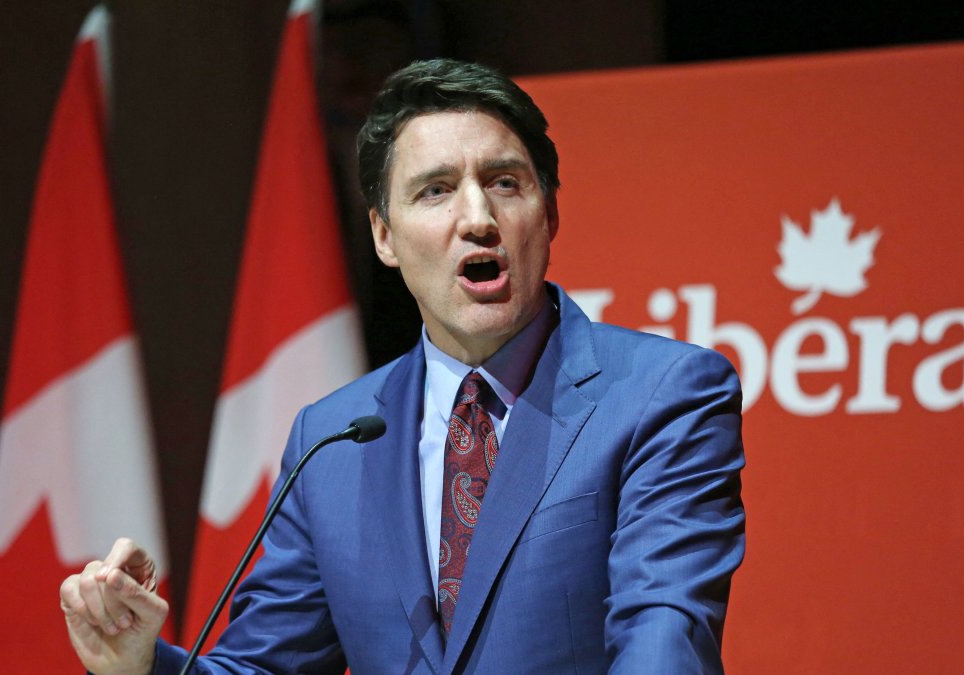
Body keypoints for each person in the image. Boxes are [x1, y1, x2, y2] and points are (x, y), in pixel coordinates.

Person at [60, 58, 745, 674]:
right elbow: (267, 667)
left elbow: (665, 641)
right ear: (384, 236)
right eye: (436, 190)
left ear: (550, 210)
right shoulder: (331, 441)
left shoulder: (662, 394)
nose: (479, 217)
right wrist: (141, 663)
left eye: (506, 182)